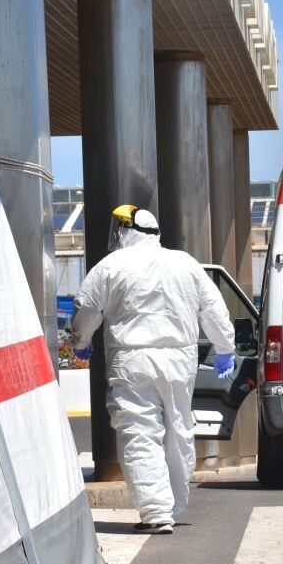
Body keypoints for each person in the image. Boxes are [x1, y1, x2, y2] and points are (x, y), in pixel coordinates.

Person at [69, 204, 236, 534]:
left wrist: (80, 341)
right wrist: (225, 348)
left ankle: (157, 512)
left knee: (139, 431)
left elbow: (86, 307)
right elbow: (214, 308)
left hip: (131, 360)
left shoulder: (111, 266)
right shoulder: (185, 263)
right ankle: (173, 502)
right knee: (178, 425)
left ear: (126, 231)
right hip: (179, 360)